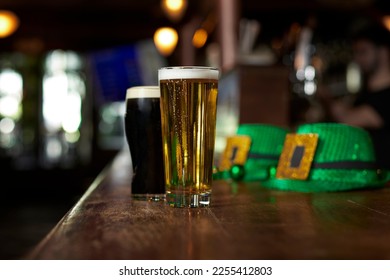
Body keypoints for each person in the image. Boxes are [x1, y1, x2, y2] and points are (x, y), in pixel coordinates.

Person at [327, 21, 390, 169]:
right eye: (356, 52)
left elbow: (348, 120)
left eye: (363, 51)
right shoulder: (364, 94)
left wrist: (325, 98)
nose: (357, 59)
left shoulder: (387, 97)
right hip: (363, 179)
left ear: (383, 52)